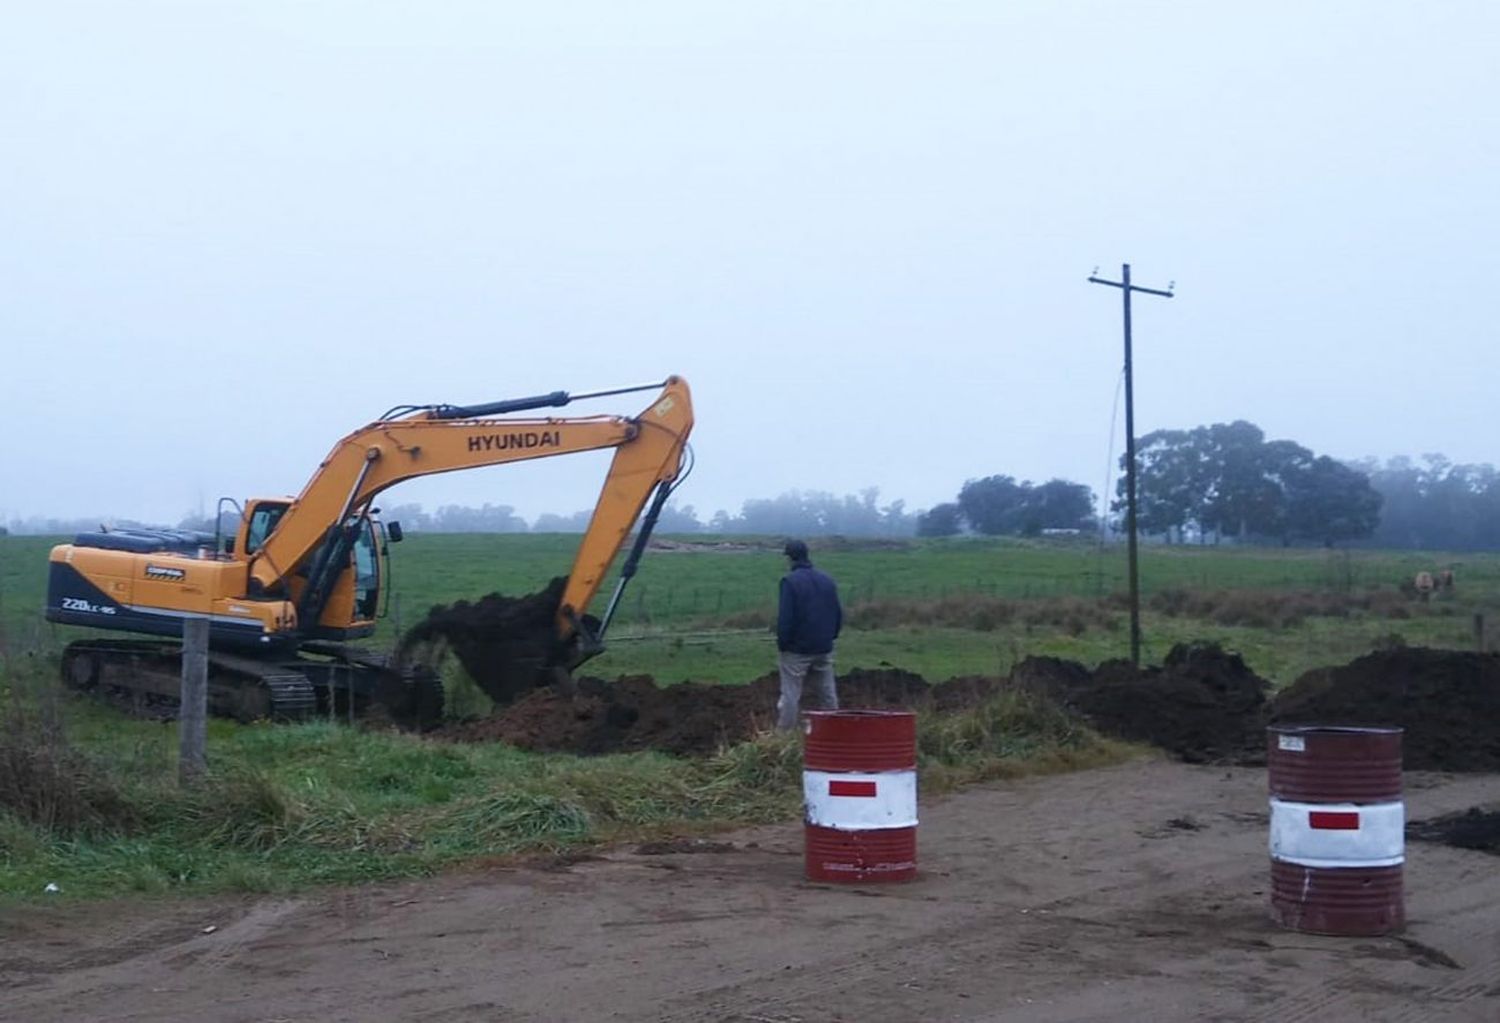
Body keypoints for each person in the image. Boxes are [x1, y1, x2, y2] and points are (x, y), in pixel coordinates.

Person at [775, 539, 843, 729]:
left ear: (789, 558)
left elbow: (786, 618)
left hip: (797, 650)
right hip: (823, 646)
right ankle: (835, 731)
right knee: (827, 693)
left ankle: (784, 737)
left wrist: (783, 644)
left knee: (790, 694)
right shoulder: (827, 580)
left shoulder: (789, 582)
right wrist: (831, 637)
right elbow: (838, 613)